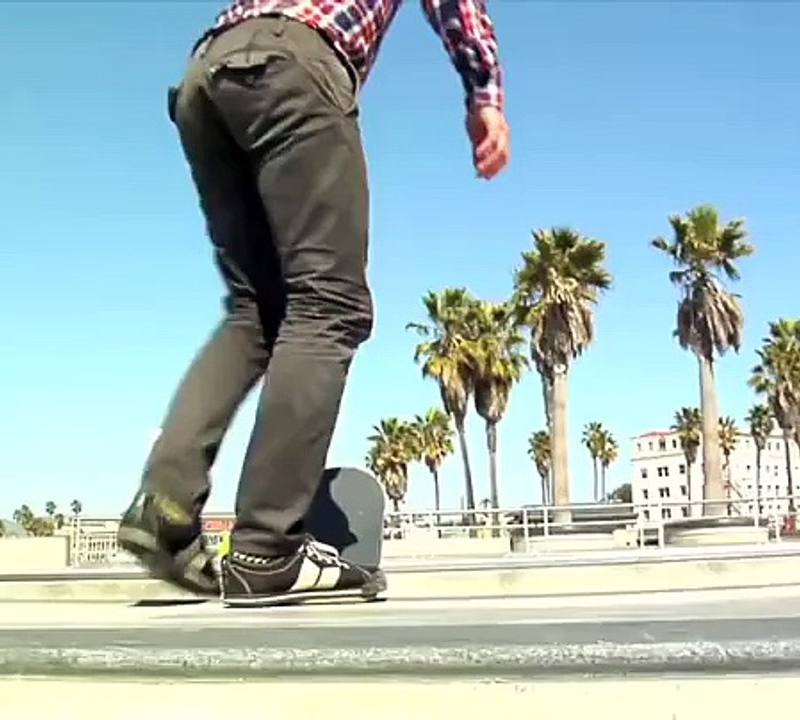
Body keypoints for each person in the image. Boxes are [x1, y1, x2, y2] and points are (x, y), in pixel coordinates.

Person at [117, 0, 509, 607]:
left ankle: (164, 506)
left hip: (207, 73)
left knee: (257, 309)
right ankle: (265, 549)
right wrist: (485, 95)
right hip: (290, 63)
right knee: (330, 305)